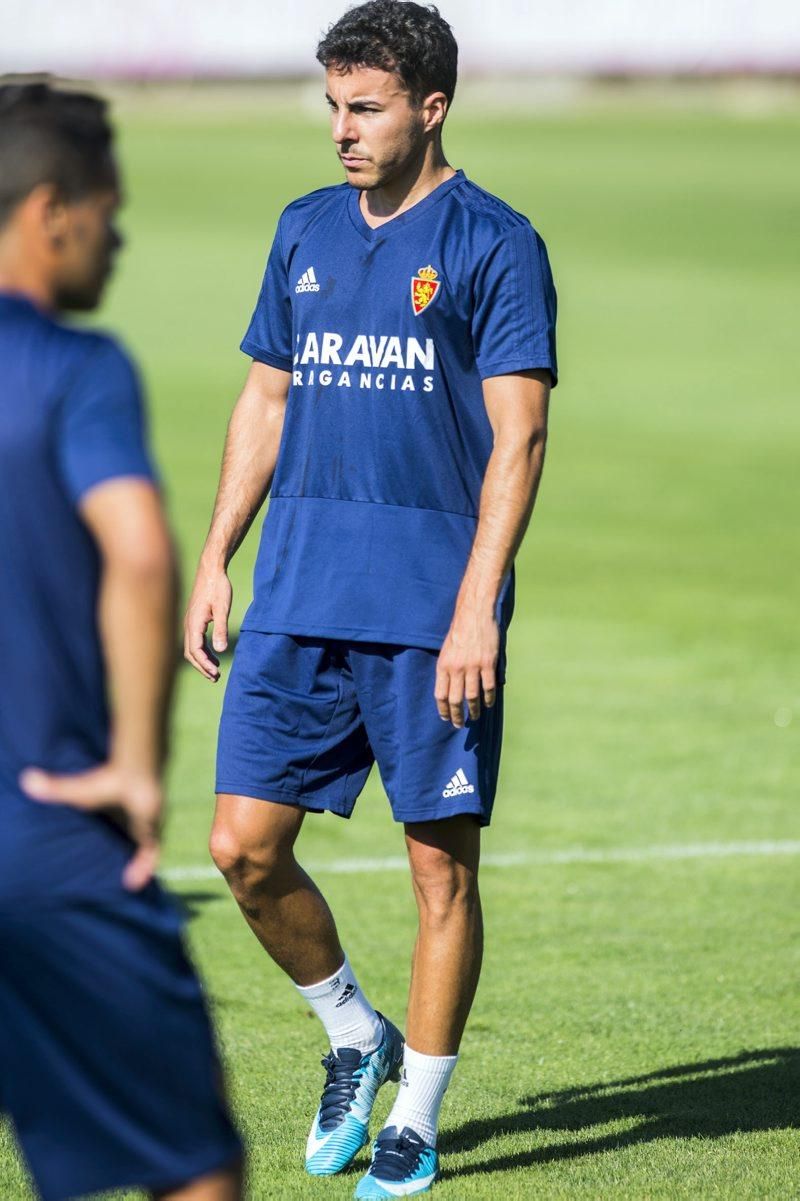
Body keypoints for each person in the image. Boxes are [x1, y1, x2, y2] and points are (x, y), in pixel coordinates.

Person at [184, 2, 557, 1195]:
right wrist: (214, 554)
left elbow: (519, 439)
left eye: (366, 107)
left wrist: (474, 608)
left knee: (438, 871)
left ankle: (419, 1113)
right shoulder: (302, 228)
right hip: (298, 593)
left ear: (430, 107)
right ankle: (355, 1035)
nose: (339, 129)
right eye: (333, 105)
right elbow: (265, 401)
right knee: (242, 848)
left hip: (425, 614)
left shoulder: (496, 242)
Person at [0, 80, 243, 1201]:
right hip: (45, 832)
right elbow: (140, 553)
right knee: (192, 1166)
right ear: (52, 211)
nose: (119, 236)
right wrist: (137, 766)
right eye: (109, 211)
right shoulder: (75, 370)